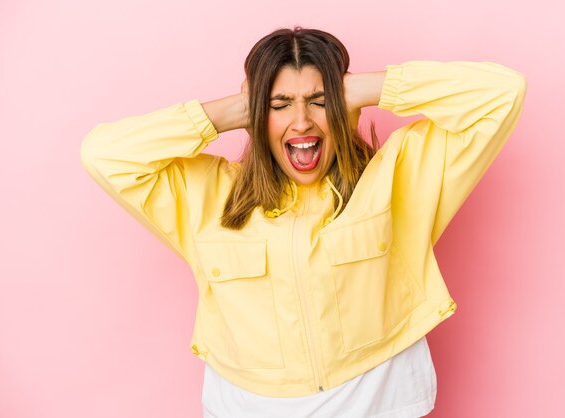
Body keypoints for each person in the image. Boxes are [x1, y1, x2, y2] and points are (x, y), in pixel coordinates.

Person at [81, 26, 526, 418]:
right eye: (279, 104)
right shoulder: (207, 194)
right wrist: (235, 110)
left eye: (320, 100)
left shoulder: (398, 176)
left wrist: (365, 88)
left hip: (378, 401)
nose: (301, 122)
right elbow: (103, 155)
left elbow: (501, 94)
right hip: (246, 406)